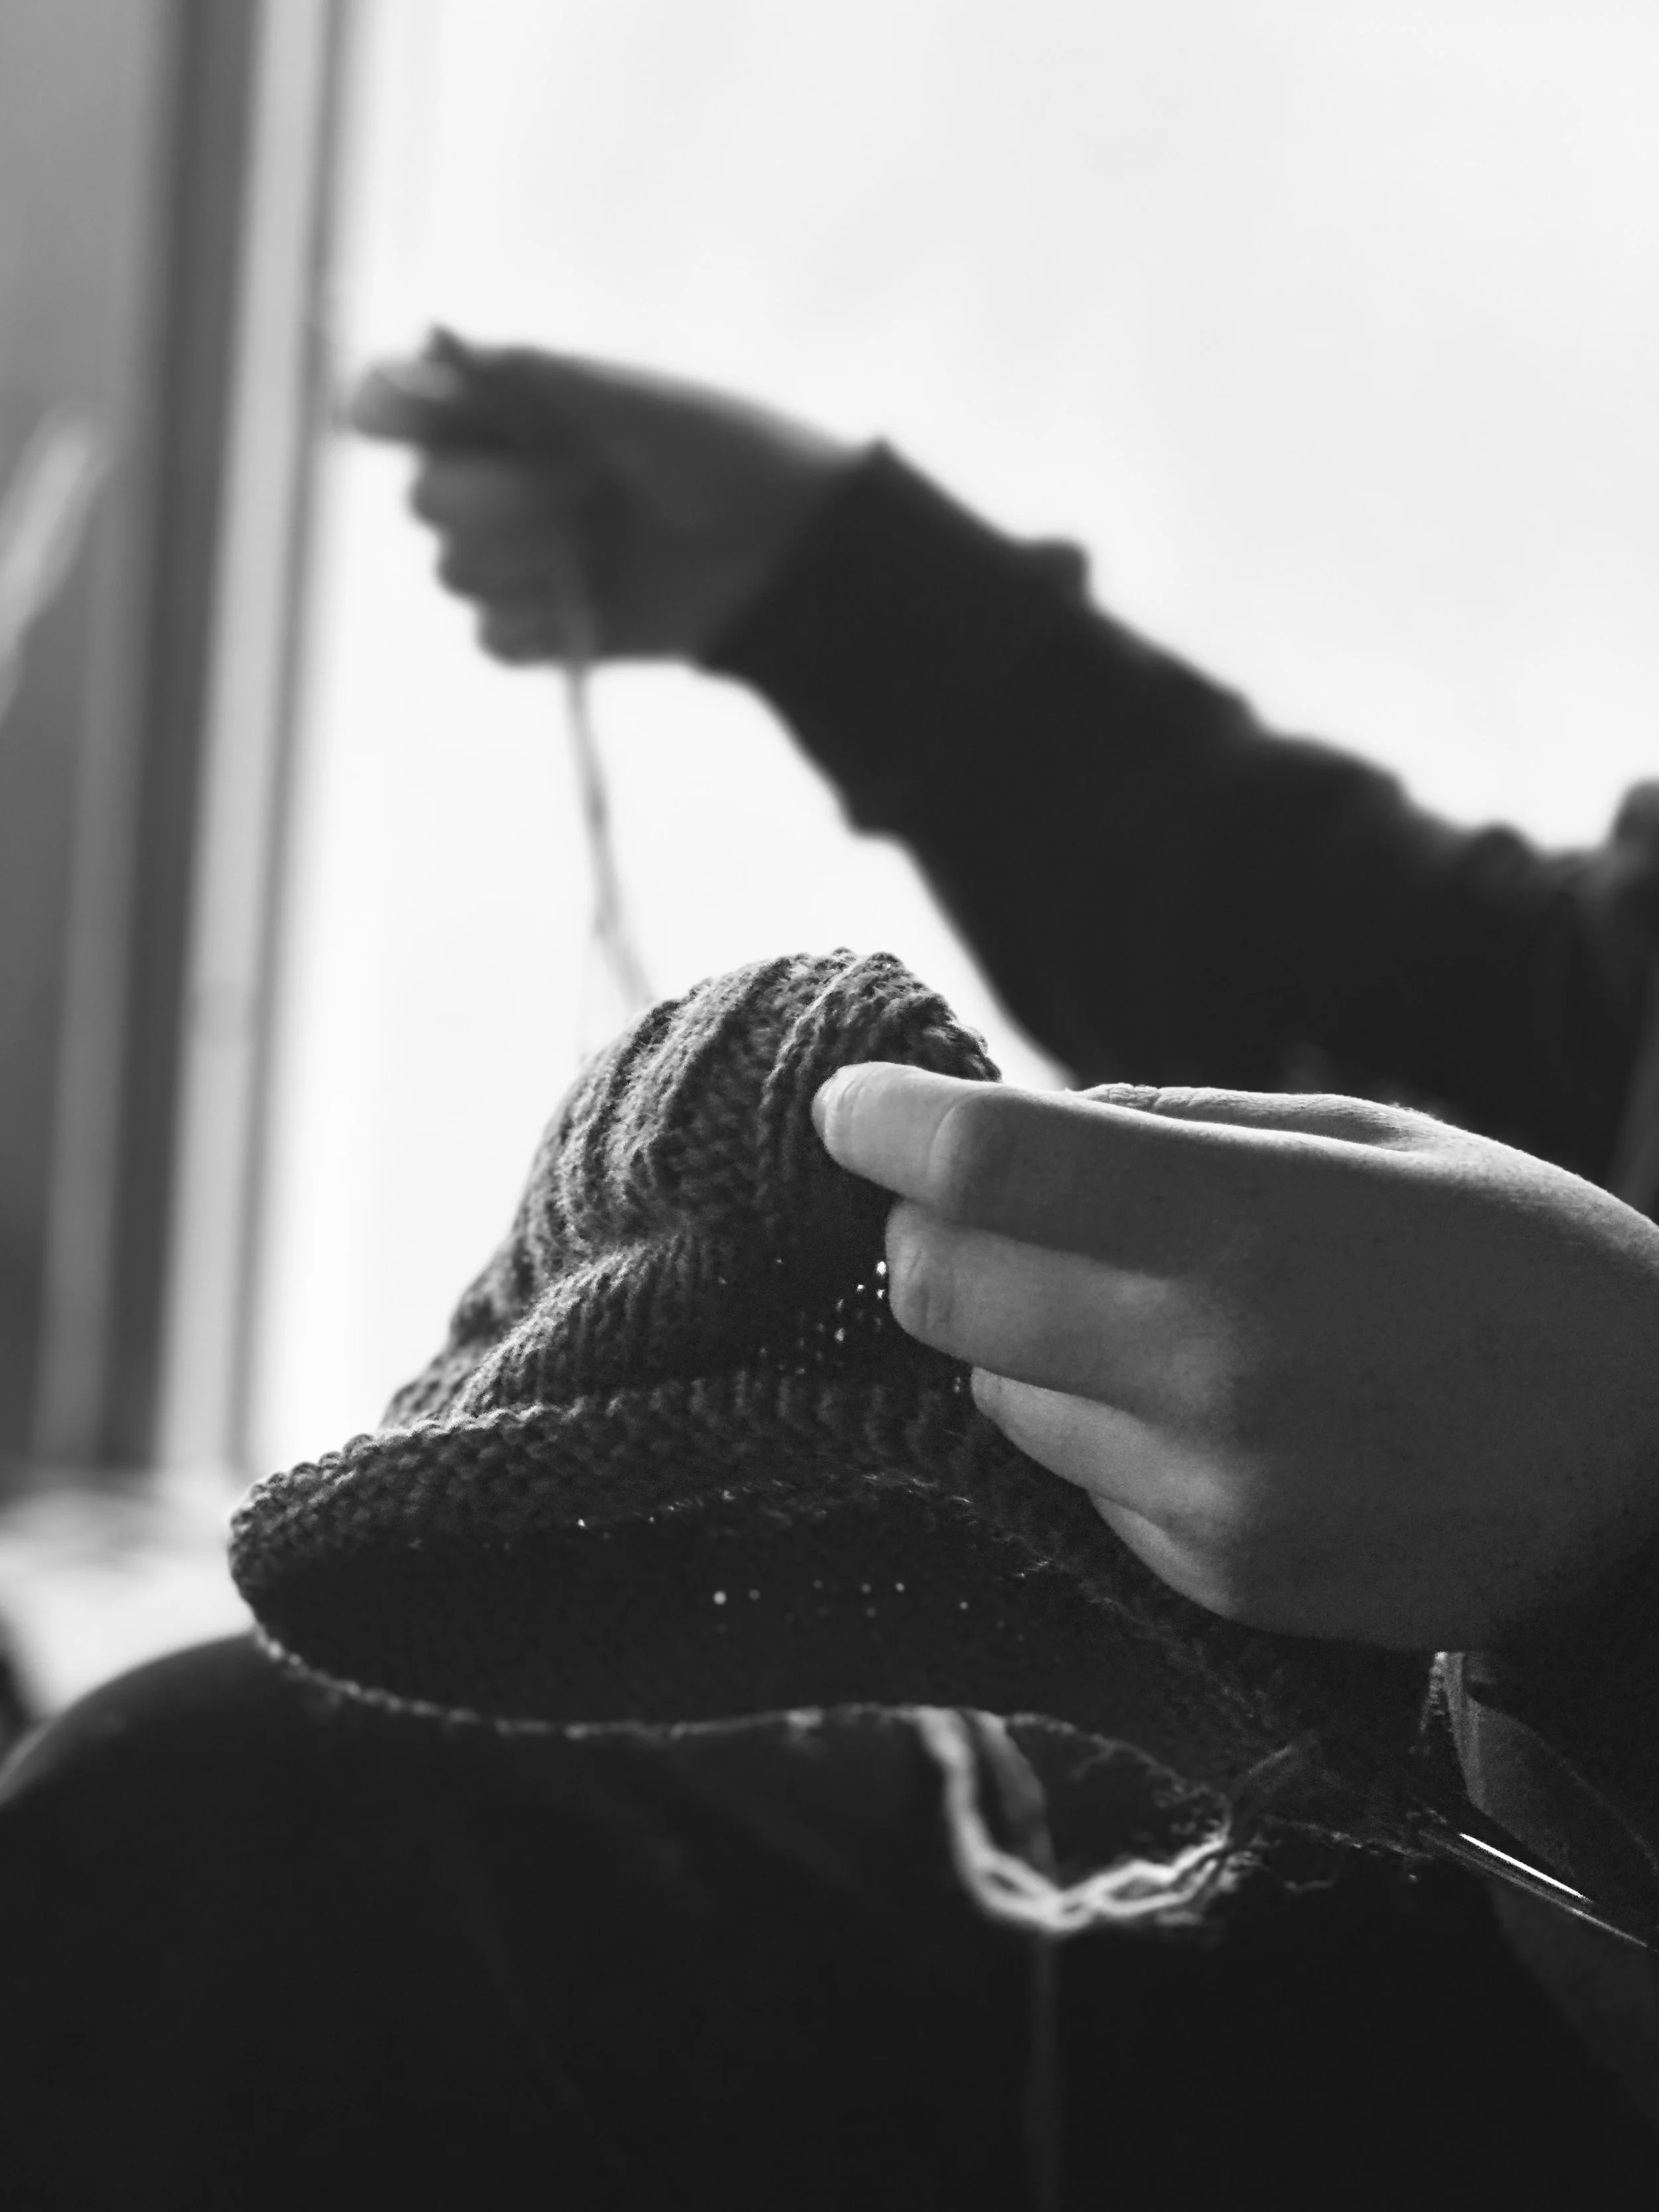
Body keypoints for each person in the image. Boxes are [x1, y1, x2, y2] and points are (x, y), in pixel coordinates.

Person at [1, 331, 1657, 2209]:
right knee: (194, 1844)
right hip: (1405, 1847)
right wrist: (843, 586)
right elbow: (1533, 1019)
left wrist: (1624, 1522)